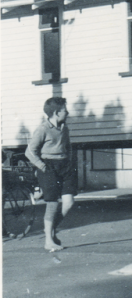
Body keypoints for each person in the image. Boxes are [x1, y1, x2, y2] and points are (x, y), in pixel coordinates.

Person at [25, 97, 75, 252]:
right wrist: (42, 166)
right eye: (65, 110)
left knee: (69, 203)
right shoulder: (43, 129)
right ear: (56, 112)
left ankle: (51, 230)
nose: (67, 112)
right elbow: (29, 152)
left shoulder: (64, 128)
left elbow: (68, 147)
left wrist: (69, 161)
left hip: (64, 166)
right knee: (52, 204)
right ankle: (48, 241)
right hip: (49, 167)